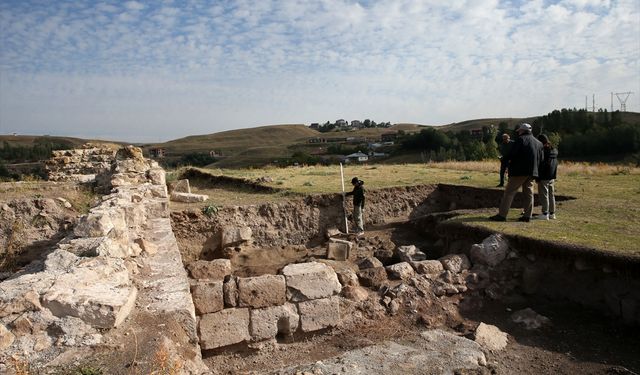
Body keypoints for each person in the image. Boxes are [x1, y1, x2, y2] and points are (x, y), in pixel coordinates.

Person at [489, 123, 544, 222]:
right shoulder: (538, 143)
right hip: (532, 172)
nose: (518, 133)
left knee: (509, 192)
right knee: (529, 193)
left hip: (519, 171)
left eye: (519, 131)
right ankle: (527, 216)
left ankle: (502, 215)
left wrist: (504, 159)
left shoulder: (520, 140)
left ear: (522, 131)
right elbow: (541, 159)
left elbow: (512, 154)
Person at [534, 134, 558, 220]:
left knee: (544, 195)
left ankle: (545, 213)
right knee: (551, 195)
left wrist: (538, 177)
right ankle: (552, 213)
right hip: (552, 176)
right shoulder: (554, 150)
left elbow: (541, 165)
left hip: (544, 176)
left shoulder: (543, 151)